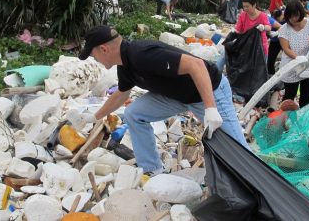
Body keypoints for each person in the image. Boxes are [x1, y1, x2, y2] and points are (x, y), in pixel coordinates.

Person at [78, 25, 249, 175]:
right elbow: (121, 94)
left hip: (207, 92)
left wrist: (210, 108)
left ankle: (264, 188)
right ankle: (153, 170)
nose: (96, 60)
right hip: (176, 97)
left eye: (94, 56)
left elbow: (196, 65)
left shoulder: (142, 54)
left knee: (237, 150)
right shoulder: (124, 65)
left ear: (104, 49)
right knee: (133, 114)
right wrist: (95, 117)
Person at [279, 0, 309, 107]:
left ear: (301, 13)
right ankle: (286, 116)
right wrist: (298, 59)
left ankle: (303, 115)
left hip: (308, 63)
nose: (293, 19)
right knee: (289, 93)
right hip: (291, 63)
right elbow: (286, 48)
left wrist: (306, 60)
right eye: (290, 17)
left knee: (306, 94)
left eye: (295, 16)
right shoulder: (284, 29)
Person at [267, 9, 285, 75]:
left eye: (279, 18)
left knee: (287, 57)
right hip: (275, 41)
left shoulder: (286, 20)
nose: (277, 21)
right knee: (270, 59)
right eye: (276, 19)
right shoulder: (271, 20)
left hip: (284, 40)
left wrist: (277, 33)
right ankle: (271, 74)